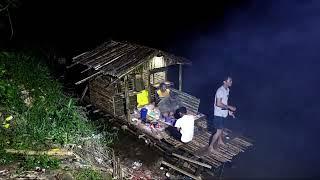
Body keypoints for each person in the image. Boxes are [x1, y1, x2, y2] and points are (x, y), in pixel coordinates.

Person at [208, 76, 236, 152]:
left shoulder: (227, 90)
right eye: (230, 81)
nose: (231, 82)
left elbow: (225, 102)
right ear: (224, 81)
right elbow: (218, 103)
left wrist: (229, 111)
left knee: (222, 128)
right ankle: (210, 146)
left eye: (231, 81)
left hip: (224, 113)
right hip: (218, 114)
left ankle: (220, 141)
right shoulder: (220, 91)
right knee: (218, 131)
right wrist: (230, 107)